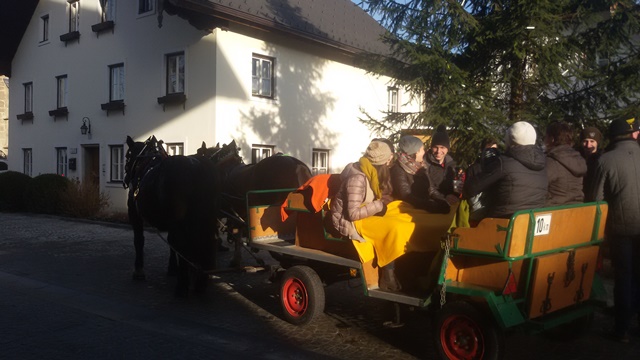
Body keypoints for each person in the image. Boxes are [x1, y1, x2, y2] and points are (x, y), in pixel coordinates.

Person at [586, 118, 640, 343]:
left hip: (621, 227)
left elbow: (595, 200)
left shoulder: (606, 160)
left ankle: (622, 328)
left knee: (623, 275)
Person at [463, 121, 548, 219]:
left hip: (503, 223)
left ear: (508, 140)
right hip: (530, 222)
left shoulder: (504, 163)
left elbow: (470, 188)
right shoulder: (543, 164)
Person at [390, 135, 449, 213]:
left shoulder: (421, 166)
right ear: (416, 152)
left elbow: (431, 189)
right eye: (422, 150)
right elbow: (406, 195)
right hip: (407, 210)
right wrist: (431, 206)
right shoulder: (398, 169)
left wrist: (443, 201)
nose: (424, 152)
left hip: (423, 207)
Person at [544, 121, 587, 206]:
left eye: (546, 137)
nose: (544, 140)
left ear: (552, 139)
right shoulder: (578, 158)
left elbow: (539, 186)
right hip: (578, 210)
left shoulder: (551, 161)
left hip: (556, 210)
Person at [464, 138, 500, 224]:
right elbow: (469, 193)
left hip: (494, 214)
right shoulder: (474, 169)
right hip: (478, 214)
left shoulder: (499, 167)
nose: (491, 153)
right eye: (488, 150)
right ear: (482, 151)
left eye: (494, 149)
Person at [424, 125, 459, 207]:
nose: (438, 151)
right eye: (435, 147)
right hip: (432, 204)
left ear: (447, 149)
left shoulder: (452, 164)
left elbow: (455, 186)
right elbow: (427, 188)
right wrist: (444, 197)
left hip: (449, 204)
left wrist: (455, 194)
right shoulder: (425, 163)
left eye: (442, 147)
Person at [579, 126, 603, 193]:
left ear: (597, 143)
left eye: (592, 141)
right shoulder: (576, 158)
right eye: (585, 141)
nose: (588, 145)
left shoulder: (602, 160)